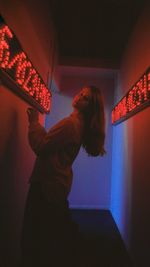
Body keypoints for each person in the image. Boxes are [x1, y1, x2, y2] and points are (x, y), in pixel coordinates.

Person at [20, 85, 106, 267]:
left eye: (85, 97)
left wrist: (34, 121)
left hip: (46, 186)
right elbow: (50, 145)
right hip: (58, 185)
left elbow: (42, 146)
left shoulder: (70, 124)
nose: (79, 96)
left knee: (35, 240)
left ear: (90, 107)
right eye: (81, 92)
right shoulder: (78, 126)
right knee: (51, 238)